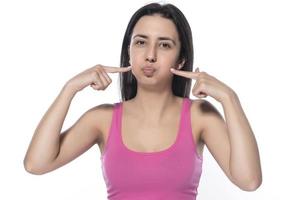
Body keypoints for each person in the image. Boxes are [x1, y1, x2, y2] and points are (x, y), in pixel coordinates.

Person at [23, 2, 262, 199]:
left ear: (181, 60)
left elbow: (249, 180)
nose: (150, 55)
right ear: (129, 51)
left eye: (164, 45)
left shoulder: (200, 116)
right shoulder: (102, 119)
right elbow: (36, 164)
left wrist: (230, 99)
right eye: (141, 42)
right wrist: (69, 89)